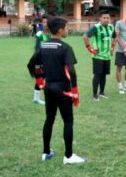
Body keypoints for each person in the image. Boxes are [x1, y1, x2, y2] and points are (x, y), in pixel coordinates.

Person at [27, 17, 86, 164]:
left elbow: (31, 65)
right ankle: (69, 156)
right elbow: (71, 70)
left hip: (49, 89)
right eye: (67, 27)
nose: (68, 29)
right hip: (63, 89)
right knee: (68, 121)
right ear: (60, 30)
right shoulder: (65, 47)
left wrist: (40, 80)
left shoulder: (42, 46)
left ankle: (46, 153)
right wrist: (75, 90)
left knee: (49, 120)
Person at [84, 10, 116, 101]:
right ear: (100, 18)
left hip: (107, 56)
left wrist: (112, 47)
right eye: (104, 17)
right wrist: (90, 49)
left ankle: (102, 92)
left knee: (104, 75)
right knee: (97, 75)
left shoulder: (111, 27)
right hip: (98, 56)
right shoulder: (96, 27)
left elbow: (115, 37)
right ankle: (95, 94)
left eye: (108, 18)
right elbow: (85, 36)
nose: (106, 19)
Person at [29, 15, 50, 105]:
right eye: (44, 22)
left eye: (47, 22)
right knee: (40, 79)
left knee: (48, 79)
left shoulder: (52, 34)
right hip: (39, 60)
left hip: (50, 61)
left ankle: (39, 98)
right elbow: (37, 49)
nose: (45, 24)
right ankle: (36, 98)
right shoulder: (39, 34)